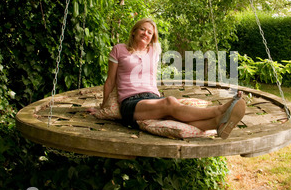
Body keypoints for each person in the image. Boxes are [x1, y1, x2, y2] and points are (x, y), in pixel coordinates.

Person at [99, 18, 246, 139]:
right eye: (142, 29)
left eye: (150, 32)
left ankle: (217, 123)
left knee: (176, 116)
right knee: (170, 102)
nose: (146, 34)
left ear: (152, 38)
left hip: (152, 98)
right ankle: (219, 111)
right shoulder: (119, 49)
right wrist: (104, 108)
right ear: (134, 31)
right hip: (131, 102)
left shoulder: (153, 52)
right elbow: (110, 81)